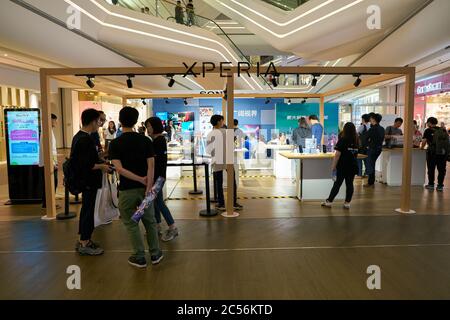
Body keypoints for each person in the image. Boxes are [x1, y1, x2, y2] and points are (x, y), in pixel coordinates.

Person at [109, 107, 163, 268]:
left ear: (120, 120)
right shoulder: (146, 141)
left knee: (131, 223)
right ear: (136, 121)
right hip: (147, 190)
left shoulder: (115, 143)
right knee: (150, 221)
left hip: (126, 191)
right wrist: (148, 185)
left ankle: (139, 256)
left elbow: (119, 169)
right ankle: (155, 253)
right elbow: (151, 166)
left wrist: (139, 179)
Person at [72, 109, 110, 256]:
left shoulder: (79, 137)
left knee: (86, 210)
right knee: (88, 211)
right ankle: (84, 242)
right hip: (88, 181)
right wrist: (103, 166)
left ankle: (84, 239)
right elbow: (88, 165)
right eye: (99, 121)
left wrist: (100, 162)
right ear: (93, 121)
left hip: (85, 181)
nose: (99, 124)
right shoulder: (85, 139)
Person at [145, 117, 179, 241]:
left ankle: (172, 227)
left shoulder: (158, 141)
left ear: (155, 126)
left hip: (157, 178)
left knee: (158, 202)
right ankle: (157, 225)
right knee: (155, 202)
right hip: (158, 177)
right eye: (147, 126)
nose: (147, 129)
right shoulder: (157, 140)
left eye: (149, 126)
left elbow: (154, 163)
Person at [206, 115, 242, 212]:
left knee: (219, 183)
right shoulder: (227, 132)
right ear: (218, 122)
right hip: (228, 160)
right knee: (232, 181)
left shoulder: (210, 134)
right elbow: (232, 147)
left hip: (216, 160)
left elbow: (208, 151)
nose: (223, 122)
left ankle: (221, 204)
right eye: (222, 120)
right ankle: (233, 203)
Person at [321, 122, 359, 209]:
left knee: (337, 184)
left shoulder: (343, 139)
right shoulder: (356, 139)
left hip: (343, 166)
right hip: (353, 165)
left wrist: (333, 166)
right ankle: (347, 203)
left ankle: (329, 201)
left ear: (345, 129)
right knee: (350, 184)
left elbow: (337, 154)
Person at [421, 117, 449, 192]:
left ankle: (431, 185)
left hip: (432, 153)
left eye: (427, 122)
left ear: (430, 123)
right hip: (442, 153)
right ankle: (440, 186)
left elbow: (424, 141)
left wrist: (421, 148)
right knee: (442, 170)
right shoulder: (442, 130)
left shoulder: (427, 130)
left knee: (431, 169)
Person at [39, 113, 60, 209]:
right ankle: (47, 203)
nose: (56, 122)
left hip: (51, 162)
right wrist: (52, 163)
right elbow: (47, 149)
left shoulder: (49, 131)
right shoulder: (46, 131)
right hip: (48, 163)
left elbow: (52, 150)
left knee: (53, 182)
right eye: (55, 120)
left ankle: (48, 202)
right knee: (50, 183)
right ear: (50, 120)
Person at [365, 113, 385, 187]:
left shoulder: (372, 129)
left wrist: (367, 145)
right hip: (379, 149)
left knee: (370, 165)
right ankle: (371, 182)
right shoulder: (382, 128)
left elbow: (365, 138)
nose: (370, 119)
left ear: (373, 119)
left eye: (371, 118)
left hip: (372, 149)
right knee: (372, 164)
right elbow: (382, 139)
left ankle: (370, 182)